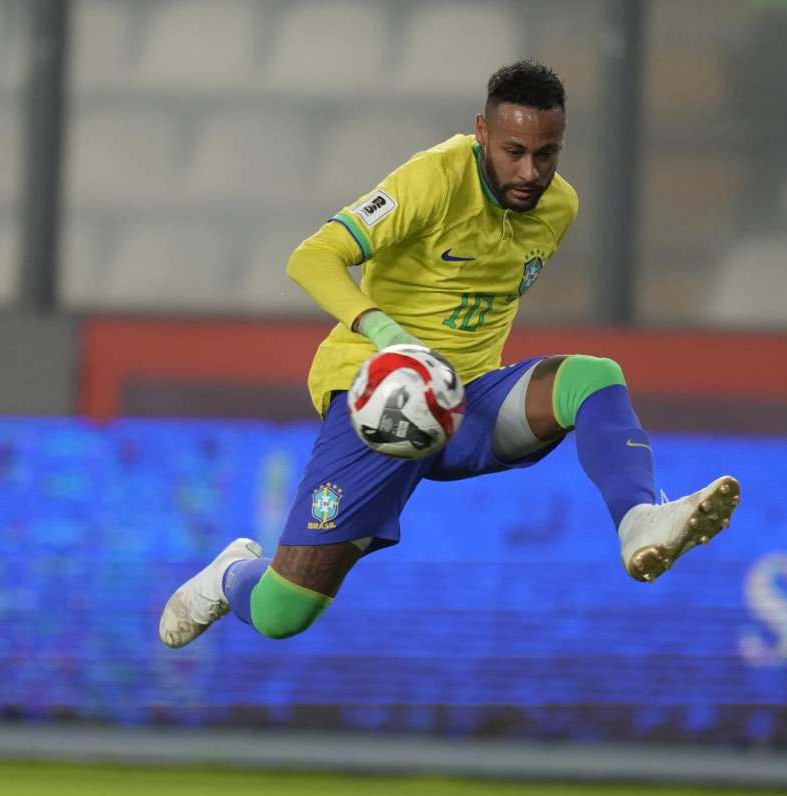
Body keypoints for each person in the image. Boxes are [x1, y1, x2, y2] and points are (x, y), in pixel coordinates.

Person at [159, 60, 740, 647]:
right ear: (482, 132)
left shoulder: (559, 207)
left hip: (466, 402)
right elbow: (311, 257)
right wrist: (386, 334)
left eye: (546, 154)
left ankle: (639, 519)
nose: (530, 172)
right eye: (514, 152)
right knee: (284, 612)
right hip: (382, 398)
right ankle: (231, 573)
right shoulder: (431, 180)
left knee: (592, 378)